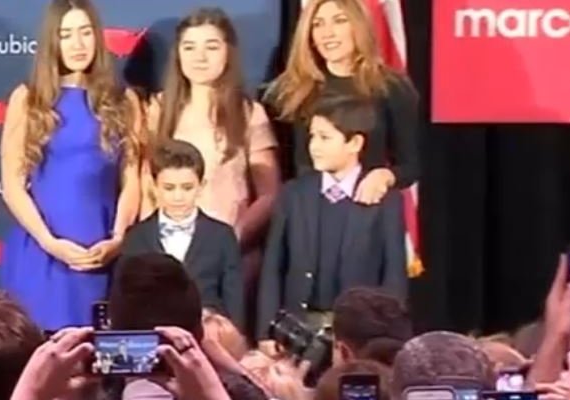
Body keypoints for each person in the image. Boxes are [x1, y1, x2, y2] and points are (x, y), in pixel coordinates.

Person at [0, 0, 143, 330]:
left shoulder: (123, 100)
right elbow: (13, 185)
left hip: (103, 252)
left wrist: (118, 238)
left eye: (85, 32)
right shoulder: (29, 99)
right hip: (41, 251)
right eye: (66, 35)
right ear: (53, 41)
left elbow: (131, 178)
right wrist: (50, 243)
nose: (78, 44)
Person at [147, 7, 279, 322]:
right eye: (189, 47)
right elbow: (145, 183)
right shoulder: (159, 110)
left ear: (228, 52)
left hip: (230, 261)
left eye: (211, 46)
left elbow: (269, 193)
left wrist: (233, 237)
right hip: (169, 261)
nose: (200, 57)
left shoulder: (249, 113)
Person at [256, 99, 406, 335]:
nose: (314, 146)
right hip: (298, 328)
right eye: (312, 137)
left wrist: (389, 335)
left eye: (325, 138)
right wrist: (266, 332)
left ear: (354, 143)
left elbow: (394, 275)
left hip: (359, 331)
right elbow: (273, 267)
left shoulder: (385, 201)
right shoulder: (295, 193)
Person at [265, 0, 420, 205]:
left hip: (367, 209)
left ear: (358, 26)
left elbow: (411, 165)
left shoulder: (391, 87)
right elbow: (280, 168)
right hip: (307, 212)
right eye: (318, 24)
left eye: (339, 21)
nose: (327, 33)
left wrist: (385, 176)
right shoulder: (290, 90)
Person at [121, 139, 243, 328]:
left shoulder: (222, 236)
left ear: (201, 186)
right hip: (152, 336)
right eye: (169, 188)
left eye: (187, 188)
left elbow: (234, 302)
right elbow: (124, 299)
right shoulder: (136, 237)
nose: (178, 197)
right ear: (154, 186)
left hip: (208, 336)